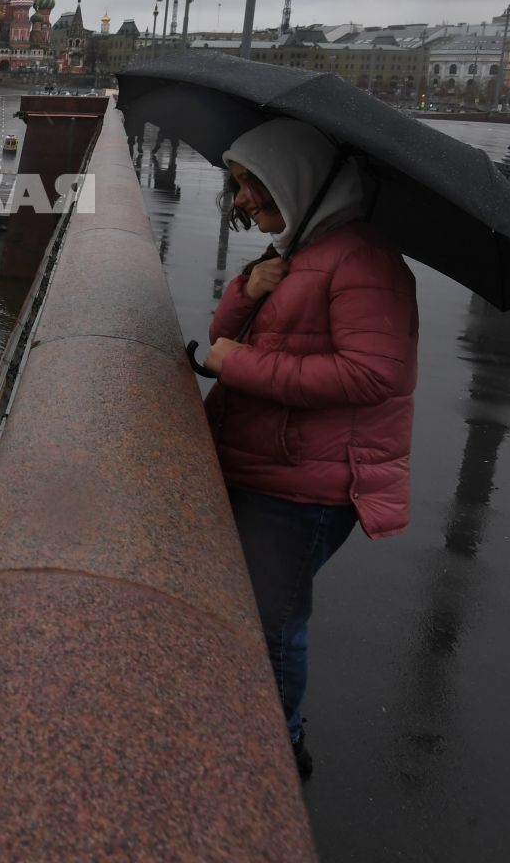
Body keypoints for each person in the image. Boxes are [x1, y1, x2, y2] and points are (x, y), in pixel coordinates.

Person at [203, 118, 418, 781]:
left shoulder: (362, 260)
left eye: (252, 184)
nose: (241, 200)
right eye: (238, 185)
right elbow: (223, 338)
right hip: (271, 464)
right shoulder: (299, 248)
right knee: (255, 614)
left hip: (307, 486)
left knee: (272, 626)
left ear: (296, 179)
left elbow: (372, 373)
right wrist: (247, 290)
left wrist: (239, 366)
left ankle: (277, 756)